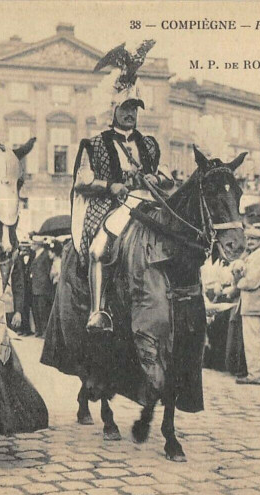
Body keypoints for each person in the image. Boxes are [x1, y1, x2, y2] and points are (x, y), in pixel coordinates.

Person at [71, 40, 170, 333]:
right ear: (113, 109)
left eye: (134, 108)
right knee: (100, 247)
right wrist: (110, 186)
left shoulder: (149, 143)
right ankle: (98, 311)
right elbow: (82, 181)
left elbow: (168, 176)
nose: (131, 113)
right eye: (126, 107)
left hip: (146, 203)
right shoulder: (96, 143)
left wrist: (156, 179)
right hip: (110, 205)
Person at [234, 227, 260, 385]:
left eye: (253, 240)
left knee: (254, 341)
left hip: (255, 304)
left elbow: (250, 282)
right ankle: (255, 372)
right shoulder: (252, 257)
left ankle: (256, 374)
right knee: (251, 340)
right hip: (250, 304)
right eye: (248, 239)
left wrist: (239, 281)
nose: (250, 242)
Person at [30, 242, 54, 337]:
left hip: (43, 287)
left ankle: (45, 331)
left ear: (39, 244)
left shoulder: (45, 255)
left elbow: (48, 271)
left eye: (34, 243)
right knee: (36, 309)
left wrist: (47, 284)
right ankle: (39, 330)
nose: (32, 245)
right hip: (35, 286)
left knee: (43, 310)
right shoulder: (35, 254)